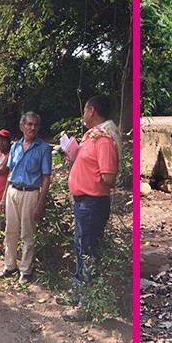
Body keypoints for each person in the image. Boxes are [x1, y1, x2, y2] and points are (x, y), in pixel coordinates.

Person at [61, 95, 120, 322]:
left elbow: (109, 178)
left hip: (92, 204)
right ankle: (78, 295)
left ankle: (87, 305)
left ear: (91, 111)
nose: (83, 114)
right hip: (84, 204)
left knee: (88, 253)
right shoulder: (92, 137)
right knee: (81, 248)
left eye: (85, 111)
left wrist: (92, 174)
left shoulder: (103, 140)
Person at [0, 112, 52, 284]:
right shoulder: (15, 147)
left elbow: (46, 177)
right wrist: (3, 197)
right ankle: (10, 265)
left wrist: (40, 202)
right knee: (10, 230)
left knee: (28, 233)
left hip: (31, 194)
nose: (32, 128)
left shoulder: (43, 149)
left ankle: (26, 270)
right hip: (13, 191)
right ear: (22, 127)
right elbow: (10, 173)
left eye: (36, 125)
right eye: (29, 124)